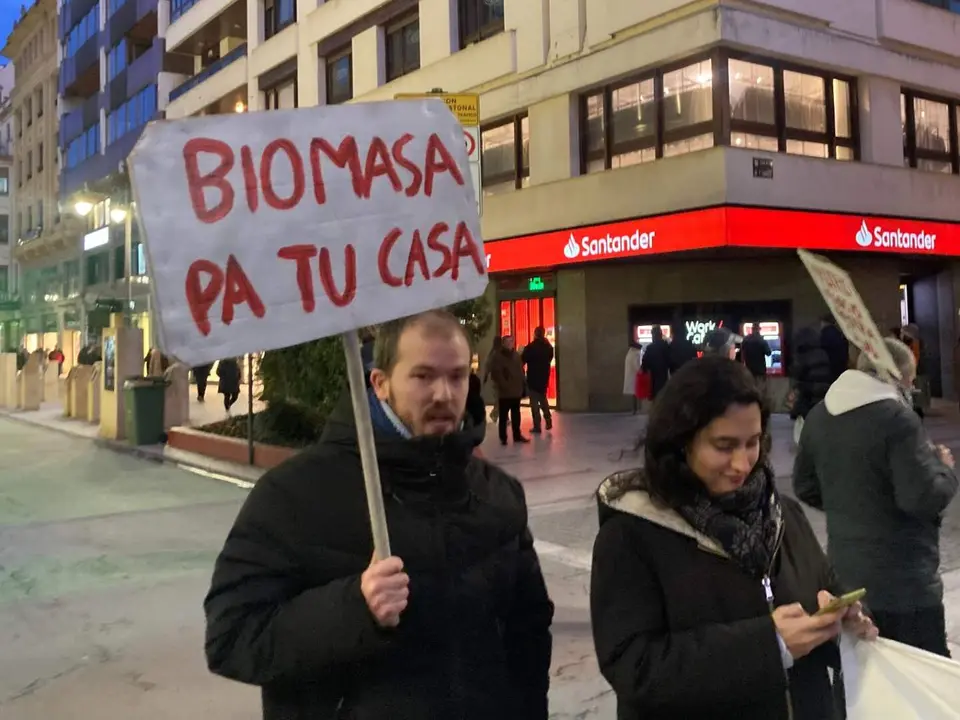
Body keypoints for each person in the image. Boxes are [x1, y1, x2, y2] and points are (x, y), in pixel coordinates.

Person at [204, 309, 554, 719]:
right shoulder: (295, 494)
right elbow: (232, 638)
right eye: (423, 376)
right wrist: (354, 607)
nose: (444, 394)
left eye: (457, 376)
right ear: (380, 383)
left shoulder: (497, 494)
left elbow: (527, 635)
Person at [590, 356, 876, 720]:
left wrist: (842, 621)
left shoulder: (783, 513)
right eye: (724, 446)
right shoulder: (632, 534)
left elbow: (825, 585)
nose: (743, 463)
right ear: (681, 441)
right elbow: (634, 666)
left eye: (753, 442)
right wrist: (769, 647)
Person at [793, 337, 958, 657]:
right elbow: (922, 498)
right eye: (910, 382)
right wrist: (944, 469)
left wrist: (852, 505)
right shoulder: (897, 419)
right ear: (898, 377)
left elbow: (804, 485)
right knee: (924, 676)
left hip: (847, 577)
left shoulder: (819, 416)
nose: (910, 390)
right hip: (905, 580)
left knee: (868, 679)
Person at [788, 327, 833, 446]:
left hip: (809, 391)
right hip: (823, 390)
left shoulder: (803, 356)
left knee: (804, 417)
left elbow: (798, 374)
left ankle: (806, 444)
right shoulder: (823, 353)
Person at [488, 335, 529, 445]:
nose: (510, 343)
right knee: (503, 415)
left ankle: (517, 435)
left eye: (512, 341)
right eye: (508, 342)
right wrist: (504, 385)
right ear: (503, 343)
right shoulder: (498, 356)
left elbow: (520, 370)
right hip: (505, 392)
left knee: (516, 415)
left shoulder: (515, 355)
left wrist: (523, 383)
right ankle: (503, 437)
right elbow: (496, 373)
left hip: (516, 390)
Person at [521, 327, 554, 433]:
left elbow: (522, 360)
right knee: (543, 399)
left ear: (535, 334)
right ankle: (548, 420)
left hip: (532, 377)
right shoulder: (548, 347)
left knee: (534, 403)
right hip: (544, 376)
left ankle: (537, 425)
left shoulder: (530, 347)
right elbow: (549, 358)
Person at [640, 326, 671, 400]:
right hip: (664, 375)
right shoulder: (666, 346)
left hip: (653, 376)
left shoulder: (650, 348)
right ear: (660, 335)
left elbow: (645, 362)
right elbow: (670, 360)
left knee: (655, 395)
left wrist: (644, 370)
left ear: (653, 335)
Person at [819, 315, 849, 383]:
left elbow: (822, 349)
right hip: (841, 363)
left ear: (824, 322)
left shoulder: (825, 333)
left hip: (830, 364)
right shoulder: (838, 333)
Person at [740, 324, 771, 388]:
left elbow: (742, 350)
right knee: (760, 388)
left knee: (750, 387)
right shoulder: (762, 340)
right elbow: (768, 353)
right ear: (759, 330)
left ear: (752, 329)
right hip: (760, 370)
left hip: (749, 369)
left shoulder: (746, 340)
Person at [483, 336, 503, 423]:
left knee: (500, 398)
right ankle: (495, 414)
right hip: (498, 379)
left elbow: (488, 366)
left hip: (497, 379)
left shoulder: (493, 353)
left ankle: (499, 415)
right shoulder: (497, 353)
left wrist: (486, 376)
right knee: (500, 399)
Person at [623, 344, 643, 414]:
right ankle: (636, 409)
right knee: (635, 392)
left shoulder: (629, 353)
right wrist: (641, 370)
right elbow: (636, 366)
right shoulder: (636, 354)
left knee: (634, 393)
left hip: (631, 376)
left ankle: (634, 409)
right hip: (635, 376)